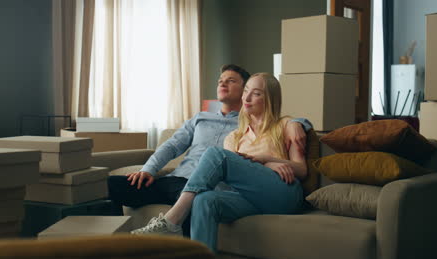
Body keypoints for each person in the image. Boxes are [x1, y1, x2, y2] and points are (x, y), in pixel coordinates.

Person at [107, 65, 311, 233]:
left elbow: (298, 166)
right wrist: (147, 170)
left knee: (210, 165)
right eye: (221, 80)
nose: (223, 83)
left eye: (232, 81)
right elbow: (173, 146)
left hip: (266, 190)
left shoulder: (283, 125)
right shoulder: (225, 131)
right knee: (202, 199)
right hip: (195, 185)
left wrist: (296, 127)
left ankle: (171, 222)